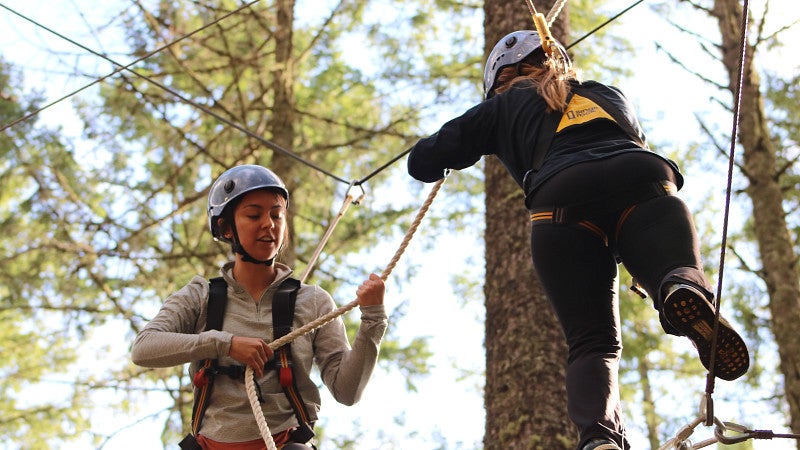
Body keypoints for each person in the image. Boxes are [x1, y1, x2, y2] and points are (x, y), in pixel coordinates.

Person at [407, 30, 749, 450]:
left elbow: (423, 161)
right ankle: (681, 287)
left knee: (594, 342)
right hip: (642, 179)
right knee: (674, 270)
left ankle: (600, 439)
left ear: (500, 79)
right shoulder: (607, 93)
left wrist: (464, 142)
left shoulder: (499, 107)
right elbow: (632, 136)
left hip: (561, 201)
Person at [131, 164, 388, 449]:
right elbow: (144, 348)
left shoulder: (312, 301)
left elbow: (347, 390)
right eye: (254, 215)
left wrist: (373, 318)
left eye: (277, 215)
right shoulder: (200, 296)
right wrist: (224, 345)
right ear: (226, 228)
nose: (269, 224)